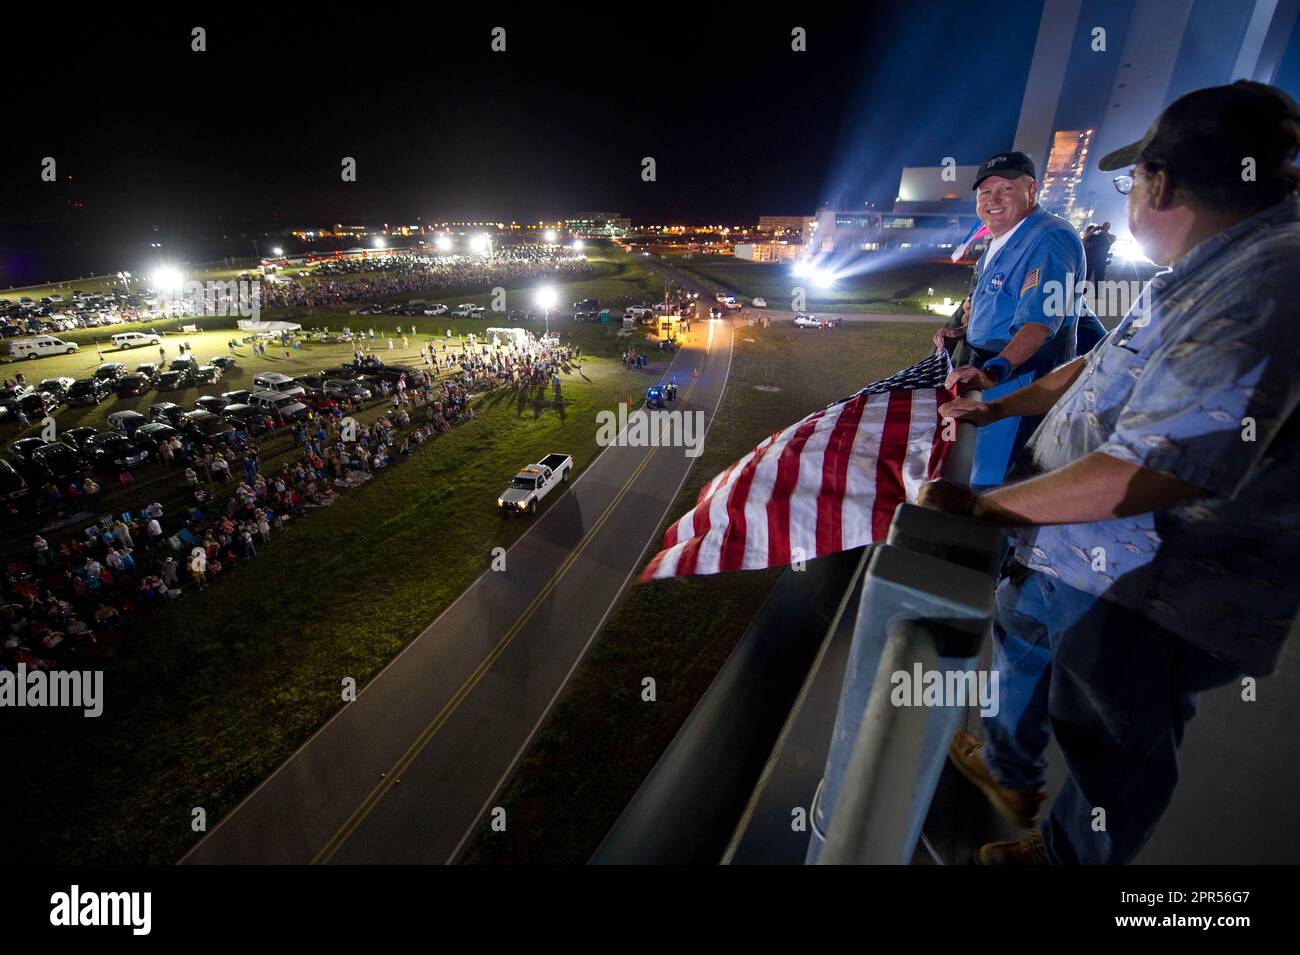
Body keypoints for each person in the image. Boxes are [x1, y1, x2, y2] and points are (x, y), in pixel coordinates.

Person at [920, 80, 1300, 865]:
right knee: (1025, 631)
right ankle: (1007, 766)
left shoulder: (1264, 285)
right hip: (1082, 545)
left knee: (1113, 739)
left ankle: (1066, 860)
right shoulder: (1206, 267)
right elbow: (1094, 364)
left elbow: (1157, 470)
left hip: (1154, 580)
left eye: (1135, 181)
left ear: (1159, 181)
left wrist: (987, 512)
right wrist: (995, 407)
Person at [936, 150, 1085, 487]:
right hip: (989, 373)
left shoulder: (1048, 238)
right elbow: (999, 301)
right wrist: (962, 329)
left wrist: (995, 370)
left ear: (1032, 190)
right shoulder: (1004, 238)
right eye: (985, 192)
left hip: (1019, 378)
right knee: (974, 468)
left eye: (1005, 189)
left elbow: (1041, 322)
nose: (993, 199)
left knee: (995, 482)